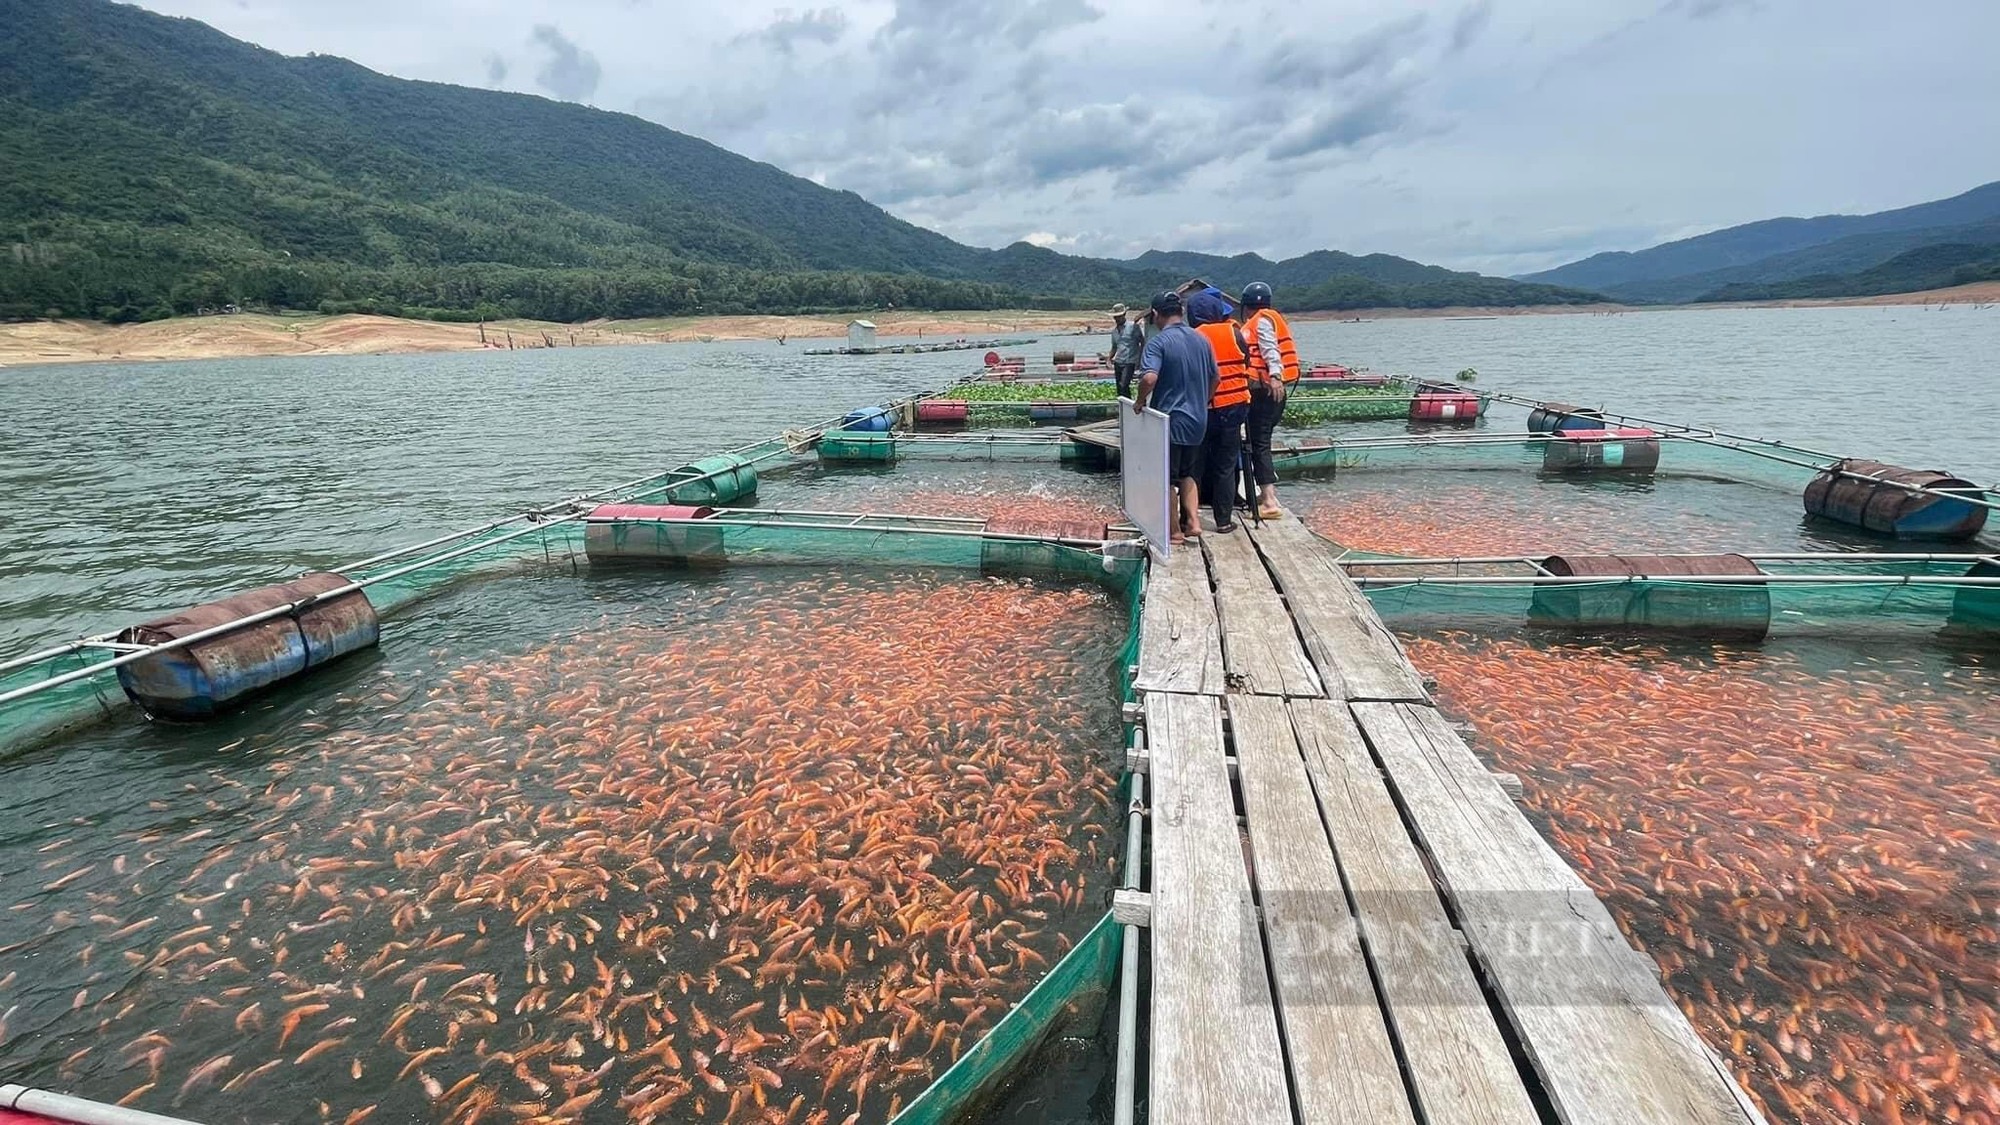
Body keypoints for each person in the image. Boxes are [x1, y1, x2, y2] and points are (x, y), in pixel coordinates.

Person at [1131, 290, 1216, 545]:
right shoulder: (1201, 339)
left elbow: (1149, 377)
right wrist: (1203, 401)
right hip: (1198, 420)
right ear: (1181, 311)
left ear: (1156, 314)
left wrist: (1140, 399)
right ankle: (1194, 522)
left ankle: (1175, 531)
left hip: (1170, 421)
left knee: (1166, 477)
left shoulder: (1158, 342)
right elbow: (1216, 378)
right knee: (1189, 473)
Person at [1186, 290, 1251, 533]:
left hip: (1203, 408)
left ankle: (1190, 518)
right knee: (1226, 464)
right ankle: (1223, 520)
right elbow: (1246, 361)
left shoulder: (1194, 337)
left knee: (1196, 465)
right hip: (1234, 407)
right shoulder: (1234, 332)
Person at [1239, 281, 1298, 520]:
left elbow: (1270, 350)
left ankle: (1270, 500)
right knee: (1260, 441)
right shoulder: (1271, 318)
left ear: (1246, 305)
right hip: (1269, 391)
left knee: (1259, 443)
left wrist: (1275, 377)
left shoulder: (1261, 321)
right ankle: (1266, 495)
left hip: (1265, 391)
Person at [1107, 303, 1146, 398]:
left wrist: (1140, 359)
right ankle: (1124, 406)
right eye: (1115, 317)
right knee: (1120, 389)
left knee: (1124, 384)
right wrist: (1108, 359)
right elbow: (1114, 347)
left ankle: (1129, 405)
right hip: (1118, 361)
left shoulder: (1133, 327)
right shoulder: (1114, 331)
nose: (1116, 319)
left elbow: (1142, 342)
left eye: (1118, 317)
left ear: (1124, 315)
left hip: (1130, 361)